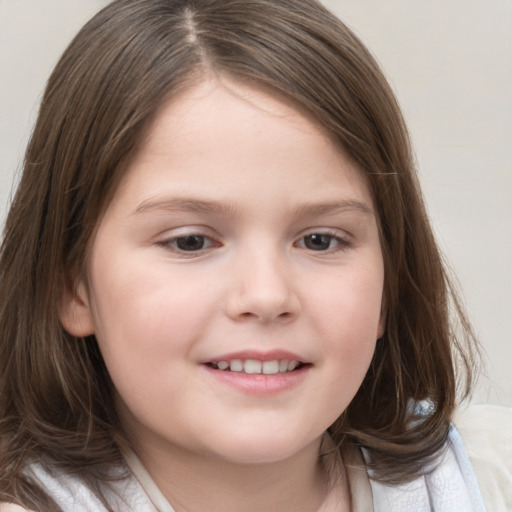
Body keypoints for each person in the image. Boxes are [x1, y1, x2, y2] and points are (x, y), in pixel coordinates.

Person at [0, 0, 510, 511]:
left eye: (320, 240)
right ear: (70, 284)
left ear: (388, 282)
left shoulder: (489, 479)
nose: (267, 296)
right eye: (190, 241)